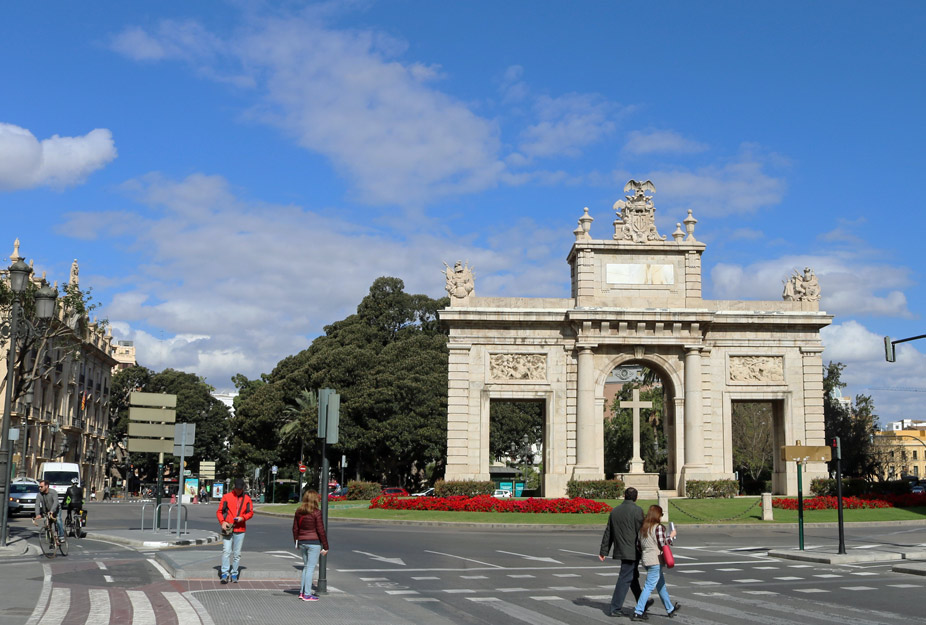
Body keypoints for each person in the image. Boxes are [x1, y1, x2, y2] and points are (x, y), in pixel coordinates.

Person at [599, 487, 652, 617]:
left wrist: (604, 550)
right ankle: (615, 607)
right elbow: (642, 531)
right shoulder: (637, 510)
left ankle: (642, 602)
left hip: (621, 548)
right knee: (625, 578)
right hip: (632, 550)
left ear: (624, 496)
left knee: (632, 577)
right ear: (636, 497)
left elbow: (608, 532)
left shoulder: (615, 511)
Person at [631, 505, 681, 621]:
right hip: (655, 559)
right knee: (649, 586)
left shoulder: (643, 527)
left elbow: (638, 545)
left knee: (661, 585)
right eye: (661, 515)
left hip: (646, 558)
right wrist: (671, 536)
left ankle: (670, 609)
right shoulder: (657, 527)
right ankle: (638, 611)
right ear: (657, 515)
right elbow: (662, 543)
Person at [292, 490, 329, 601]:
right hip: (314, 543)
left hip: (302, 542)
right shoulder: (316, 512)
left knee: (306, 567)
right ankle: (307, 594)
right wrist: (326, 546)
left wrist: (297, 542)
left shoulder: (299, 511)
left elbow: (295, 529)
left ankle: (302, 592)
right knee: (310, 568)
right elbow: (321, 530)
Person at [217, 478, 254, 584]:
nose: (238, 491)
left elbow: (250, 512)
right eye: (237, 489)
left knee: (237, 553)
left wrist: (243, 518)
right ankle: (224, 573)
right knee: (226, 551)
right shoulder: (227, 497)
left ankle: (234, 573)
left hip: (240, 528)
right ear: (234, 487)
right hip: (228, 527)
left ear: (243, 488)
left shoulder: (246, 499)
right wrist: (222, 522)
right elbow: (219, 512)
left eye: (240, 489)